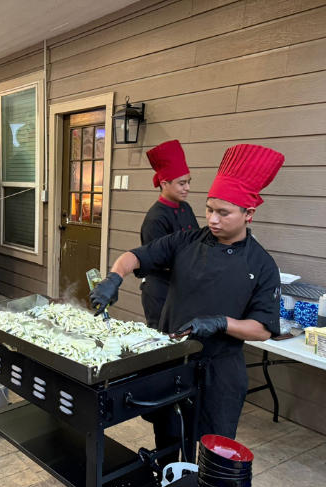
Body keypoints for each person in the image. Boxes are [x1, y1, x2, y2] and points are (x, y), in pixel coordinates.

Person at [90, 144, 283, 464]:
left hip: (219, 373)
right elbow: (136, 256)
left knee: (213, 453)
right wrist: (114, 277)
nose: (213, 219)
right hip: (172, 364)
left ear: (248, 214)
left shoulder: (262, 265)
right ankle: (165, 484)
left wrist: (222, 322)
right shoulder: (187, 240)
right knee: (167, 442)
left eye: (223, 213)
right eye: (209, 209)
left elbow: (262, 329)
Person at [141, 140, 199, 328]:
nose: (187, 188)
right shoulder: (156, 218)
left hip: (183, 289)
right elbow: (158, 260)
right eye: (182, 183)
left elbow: (198, 241)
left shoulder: (186, 208)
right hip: (161, 292)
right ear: (164, 184)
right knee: (163, 339)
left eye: (188, 182)